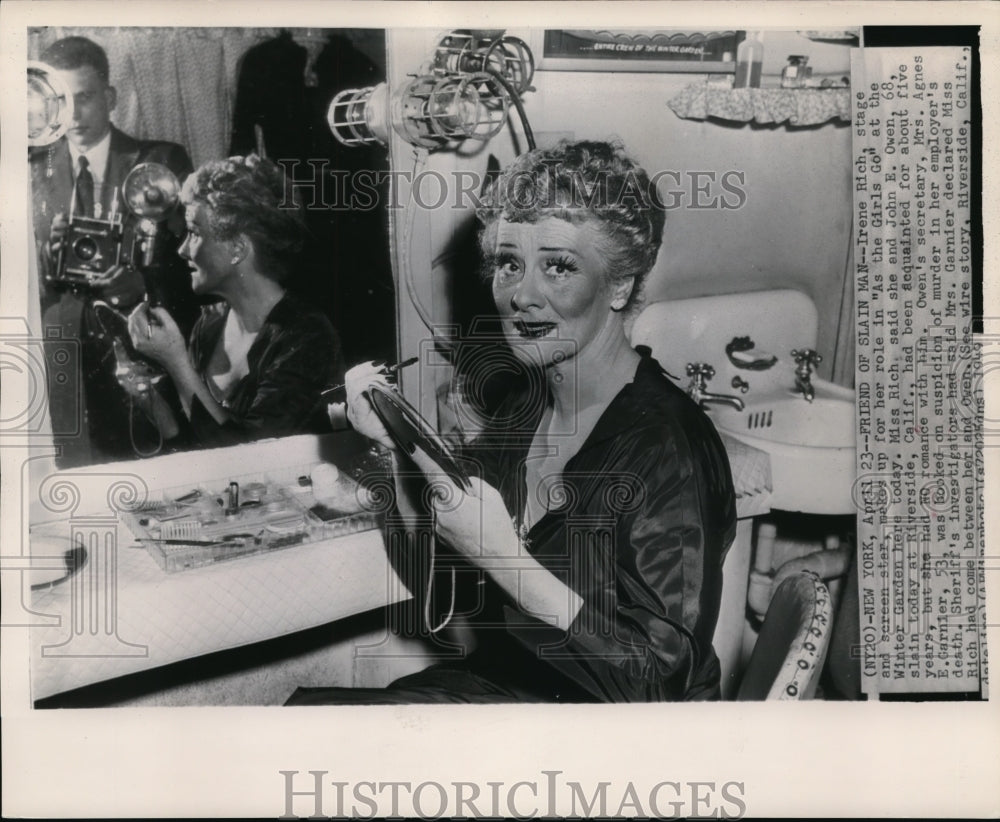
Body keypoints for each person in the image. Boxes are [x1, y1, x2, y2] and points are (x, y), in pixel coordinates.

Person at [286, 140, 737, 704]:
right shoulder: (525, 411)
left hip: (617, 747)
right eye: (508, 264)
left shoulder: (669, 448)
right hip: (519, 688)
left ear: (619, 285)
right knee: (305, 720)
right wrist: (393, 448)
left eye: (559, 267)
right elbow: (440, 577)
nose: (521, 295)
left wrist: (506, 559)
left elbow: (655, 685)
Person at [31, 35, 197, 465]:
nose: (73, 115)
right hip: (62, 369)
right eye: (62, 102)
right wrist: (44, 264)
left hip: (144, 363)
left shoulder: (161, 160)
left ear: (111, 97)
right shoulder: (30, 172)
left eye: (83, 98)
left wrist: (143, 283)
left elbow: (200, 265)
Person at [125, 154, 345, 449]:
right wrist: (151, 401)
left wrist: (176, 362)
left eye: (194, 233)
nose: (183, 250)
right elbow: (198, 444)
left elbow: (250, 459)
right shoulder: (211, 323)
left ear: (238, 248)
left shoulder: (308, 337)